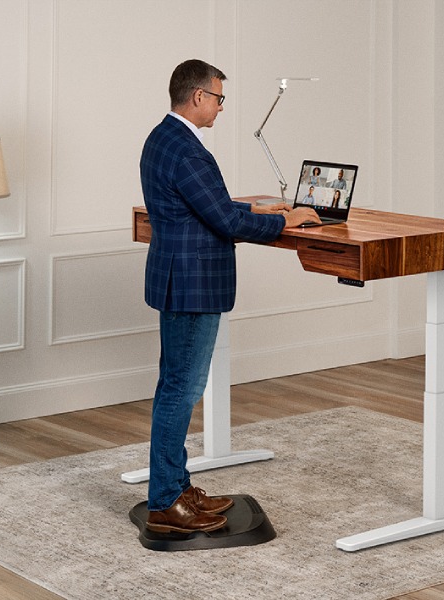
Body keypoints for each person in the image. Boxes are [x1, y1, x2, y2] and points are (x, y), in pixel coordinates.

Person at [139, 59, 319, 534]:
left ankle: (176, 488)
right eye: (219, 98)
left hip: (177, 277)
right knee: (181, 389)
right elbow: (227, 223)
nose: (221, 107)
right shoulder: (190, 151)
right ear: (197, 96)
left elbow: (207, 207)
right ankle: (164, 502)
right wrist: (285, 221)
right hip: (194, 283)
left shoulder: (162, 137)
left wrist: (257, 206)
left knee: (175, 385)